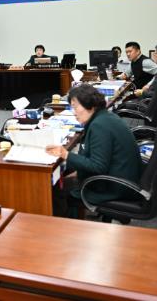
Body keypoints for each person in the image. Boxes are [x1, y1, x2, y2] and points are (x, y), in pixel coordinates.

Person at [45, 84, 142, 218]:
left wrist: (65, 154)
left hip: (114, 187)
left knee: (56, 189)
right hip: (122, 177)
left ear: (90, 105)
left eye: (75, 107)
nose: (73, 112)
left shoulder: (99, 126)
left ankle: (66, 226)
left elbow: (98, 166)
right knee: (65, 177)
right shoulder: (105, 118)